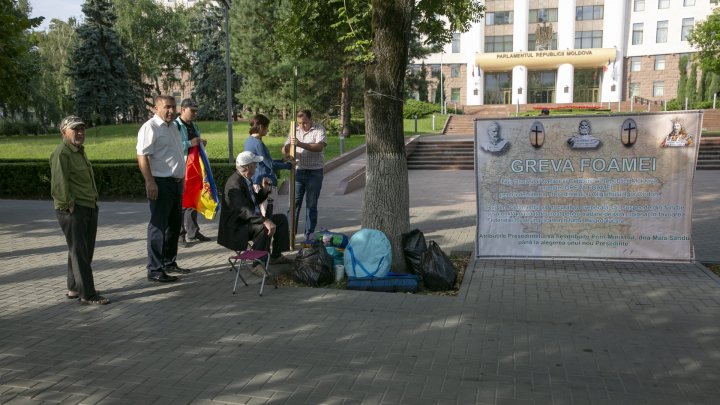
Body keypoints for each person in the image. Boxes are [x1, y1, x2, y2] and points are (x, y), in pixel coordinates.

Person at [50, 115, 110, 305]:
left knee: (79, 250)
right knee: (80, 253)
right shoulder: (62, 153)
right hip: (74, 210)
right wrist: (69, 205)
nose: (80, 132)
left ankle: (74, 288)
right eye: (75, 129)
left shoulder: (78, 151)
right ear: (63, 132)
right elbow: (59, 184)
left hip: (88, 206)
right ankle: (88, 294)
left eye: (82, 129)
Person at [136, 95, 190, 283]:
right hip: (160, 182)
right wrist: (150, 181)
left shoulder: (173, 127)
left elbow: (175, 154)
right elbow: (142, 156)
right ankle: (155, 269)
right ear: (156, 108)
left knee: (174, 225)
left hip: (175, 182)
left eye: (173, 107)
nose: (171, 111)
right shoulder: (150, 127)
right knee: (159, 226)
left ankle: (168, 262)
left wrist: (181, 178)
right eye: (166, 107)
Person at [217, 151, 291, 272]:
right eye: (254, 165)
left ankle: (276, 256)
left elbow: (253, 201)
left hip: (248, 220)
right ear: (247, 167)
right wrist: (265, 220)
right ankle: (257, 265)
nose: (257, 167)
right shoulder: (234, 184)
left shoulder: (245, 179)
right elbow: (243, 211)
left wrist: (264, 190)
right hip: (238, 226)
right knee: (264, 227)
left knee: (281, 219)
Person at [282, 109, 327, 242]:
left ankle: (309, 236)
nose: (302, 126)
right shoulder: (294, 130)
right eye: (300, 123)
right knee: (293, 205)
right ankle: (290, 235)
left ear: (310, 119)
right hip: (298, 172)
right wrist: (286, 153)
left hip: (315, 172)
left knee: (311, 205)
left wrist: (300, 144)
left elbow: (319, 146)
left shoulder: (319, 129)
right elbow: (285, 147)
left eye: (305, 123)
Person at [175, 98, 210, 247]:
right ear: (183, 109)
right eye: (192, 110)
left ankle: (193, 231)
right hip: (182, 168)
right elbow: (175, 147)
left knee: (194, 198)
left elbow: (195, 143)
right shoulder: (176, 126)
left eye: (196, 110)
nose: (195, 113)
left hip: (195, 167)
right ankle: (181, 235)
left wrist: (201, 143)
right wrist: (191, 143)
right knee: (182, 202)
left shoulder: (194, 125)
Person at [244, 114, 291, 188]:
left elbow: (264, 161)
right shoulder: (257, 143)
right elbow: (270, 164)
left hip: (255, 178)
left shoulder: (249, 140)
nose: (268, 130)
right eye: (267, 127)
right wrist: (290, 166)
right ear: (261, 127)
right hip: (262, 181)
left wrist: (282, 161)